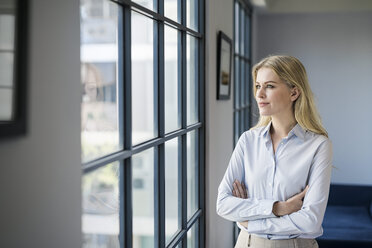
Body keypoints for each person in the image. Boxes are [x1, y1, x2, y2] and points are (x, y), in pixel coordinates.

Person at [216, 55, 333, 248]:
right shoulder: (248, 140)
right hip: (247, 243)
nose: (259, 94)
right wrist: (278, 208)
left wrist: (249, 220)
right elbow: (223, 204)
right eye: (257, 86)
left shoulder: (319, 146)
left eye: (269, 86)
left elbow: (310, 221)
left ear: (294, 92)